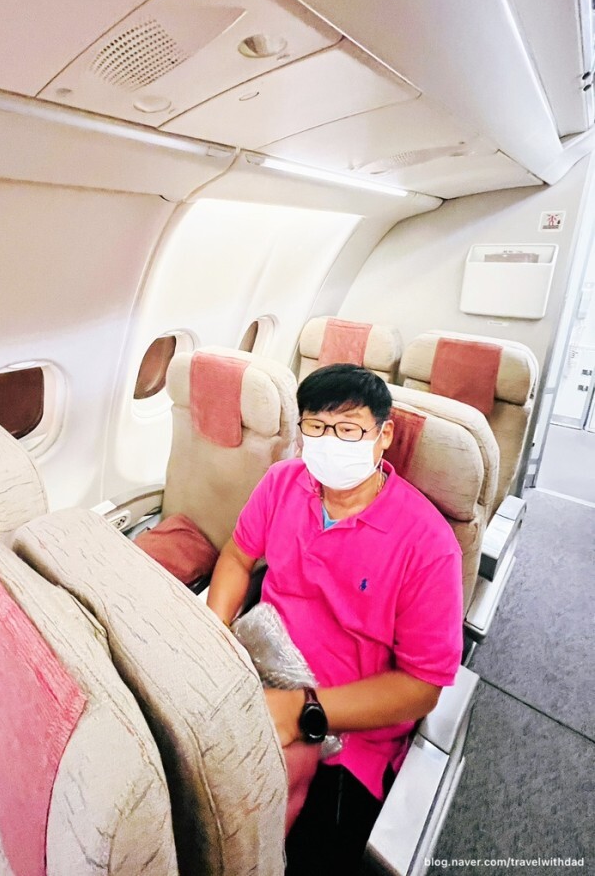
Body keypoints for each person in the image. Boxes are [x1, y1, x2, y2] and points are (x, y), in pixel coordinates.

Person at [206, 363, 463, 874]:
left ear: (383, 435)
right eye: (317, 428)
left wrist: (303, 710)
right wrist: (212, 636)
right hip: (261, 666)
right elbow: (237, 556)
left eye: (348, 430)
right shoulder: (283, 483)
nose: (330, 443)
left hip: (348, 724)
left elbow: (422, 687)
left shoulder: (428, 544)